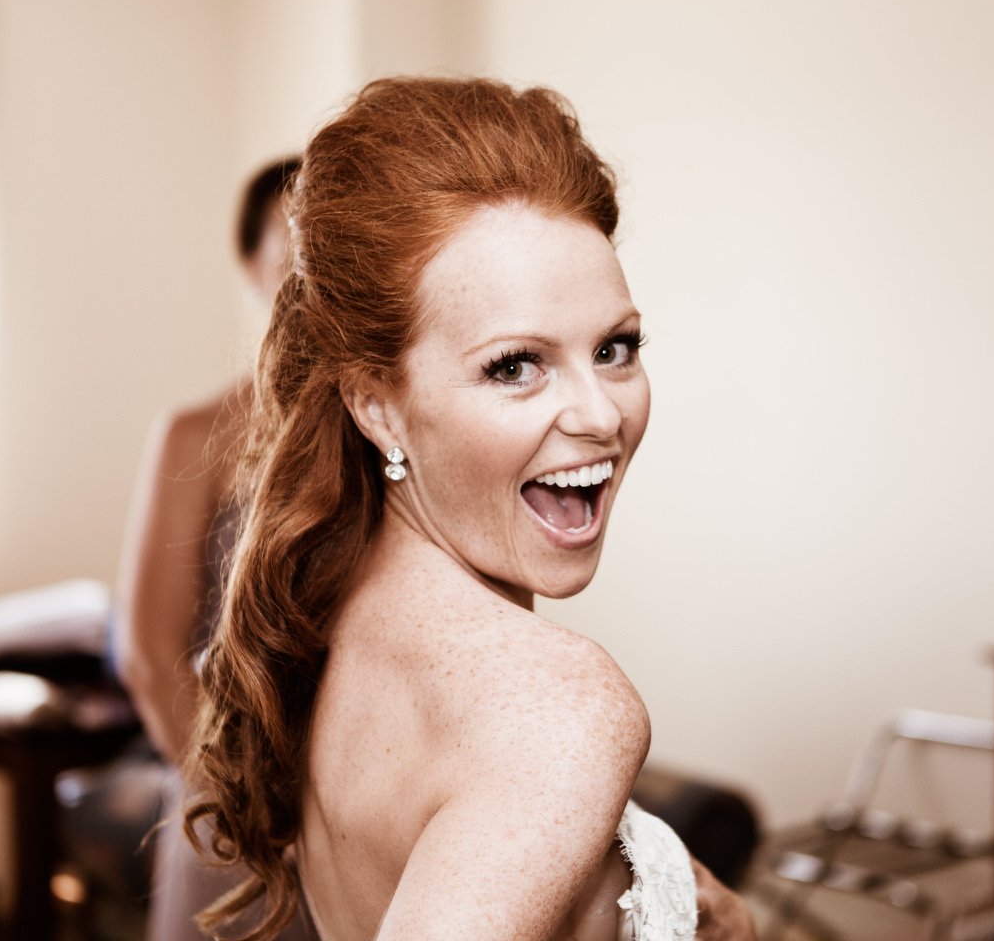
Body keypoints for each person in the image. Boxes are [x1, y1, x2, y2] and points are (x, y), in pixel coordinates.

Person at [185, 79, 755, 941]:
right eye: (515, 364)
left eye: (615, 348)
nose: (600, 413)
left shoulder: (331, 624)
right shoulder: (560, 705)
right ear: (375, 403)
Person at [113, 156, 311, 940]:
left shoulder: (382, 434)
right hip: (234, 813)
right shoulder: (196, 436)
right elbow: (149, 653)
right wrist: (252, 805)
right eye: (292, 257)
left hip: (367, 820)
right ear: (253, 266)